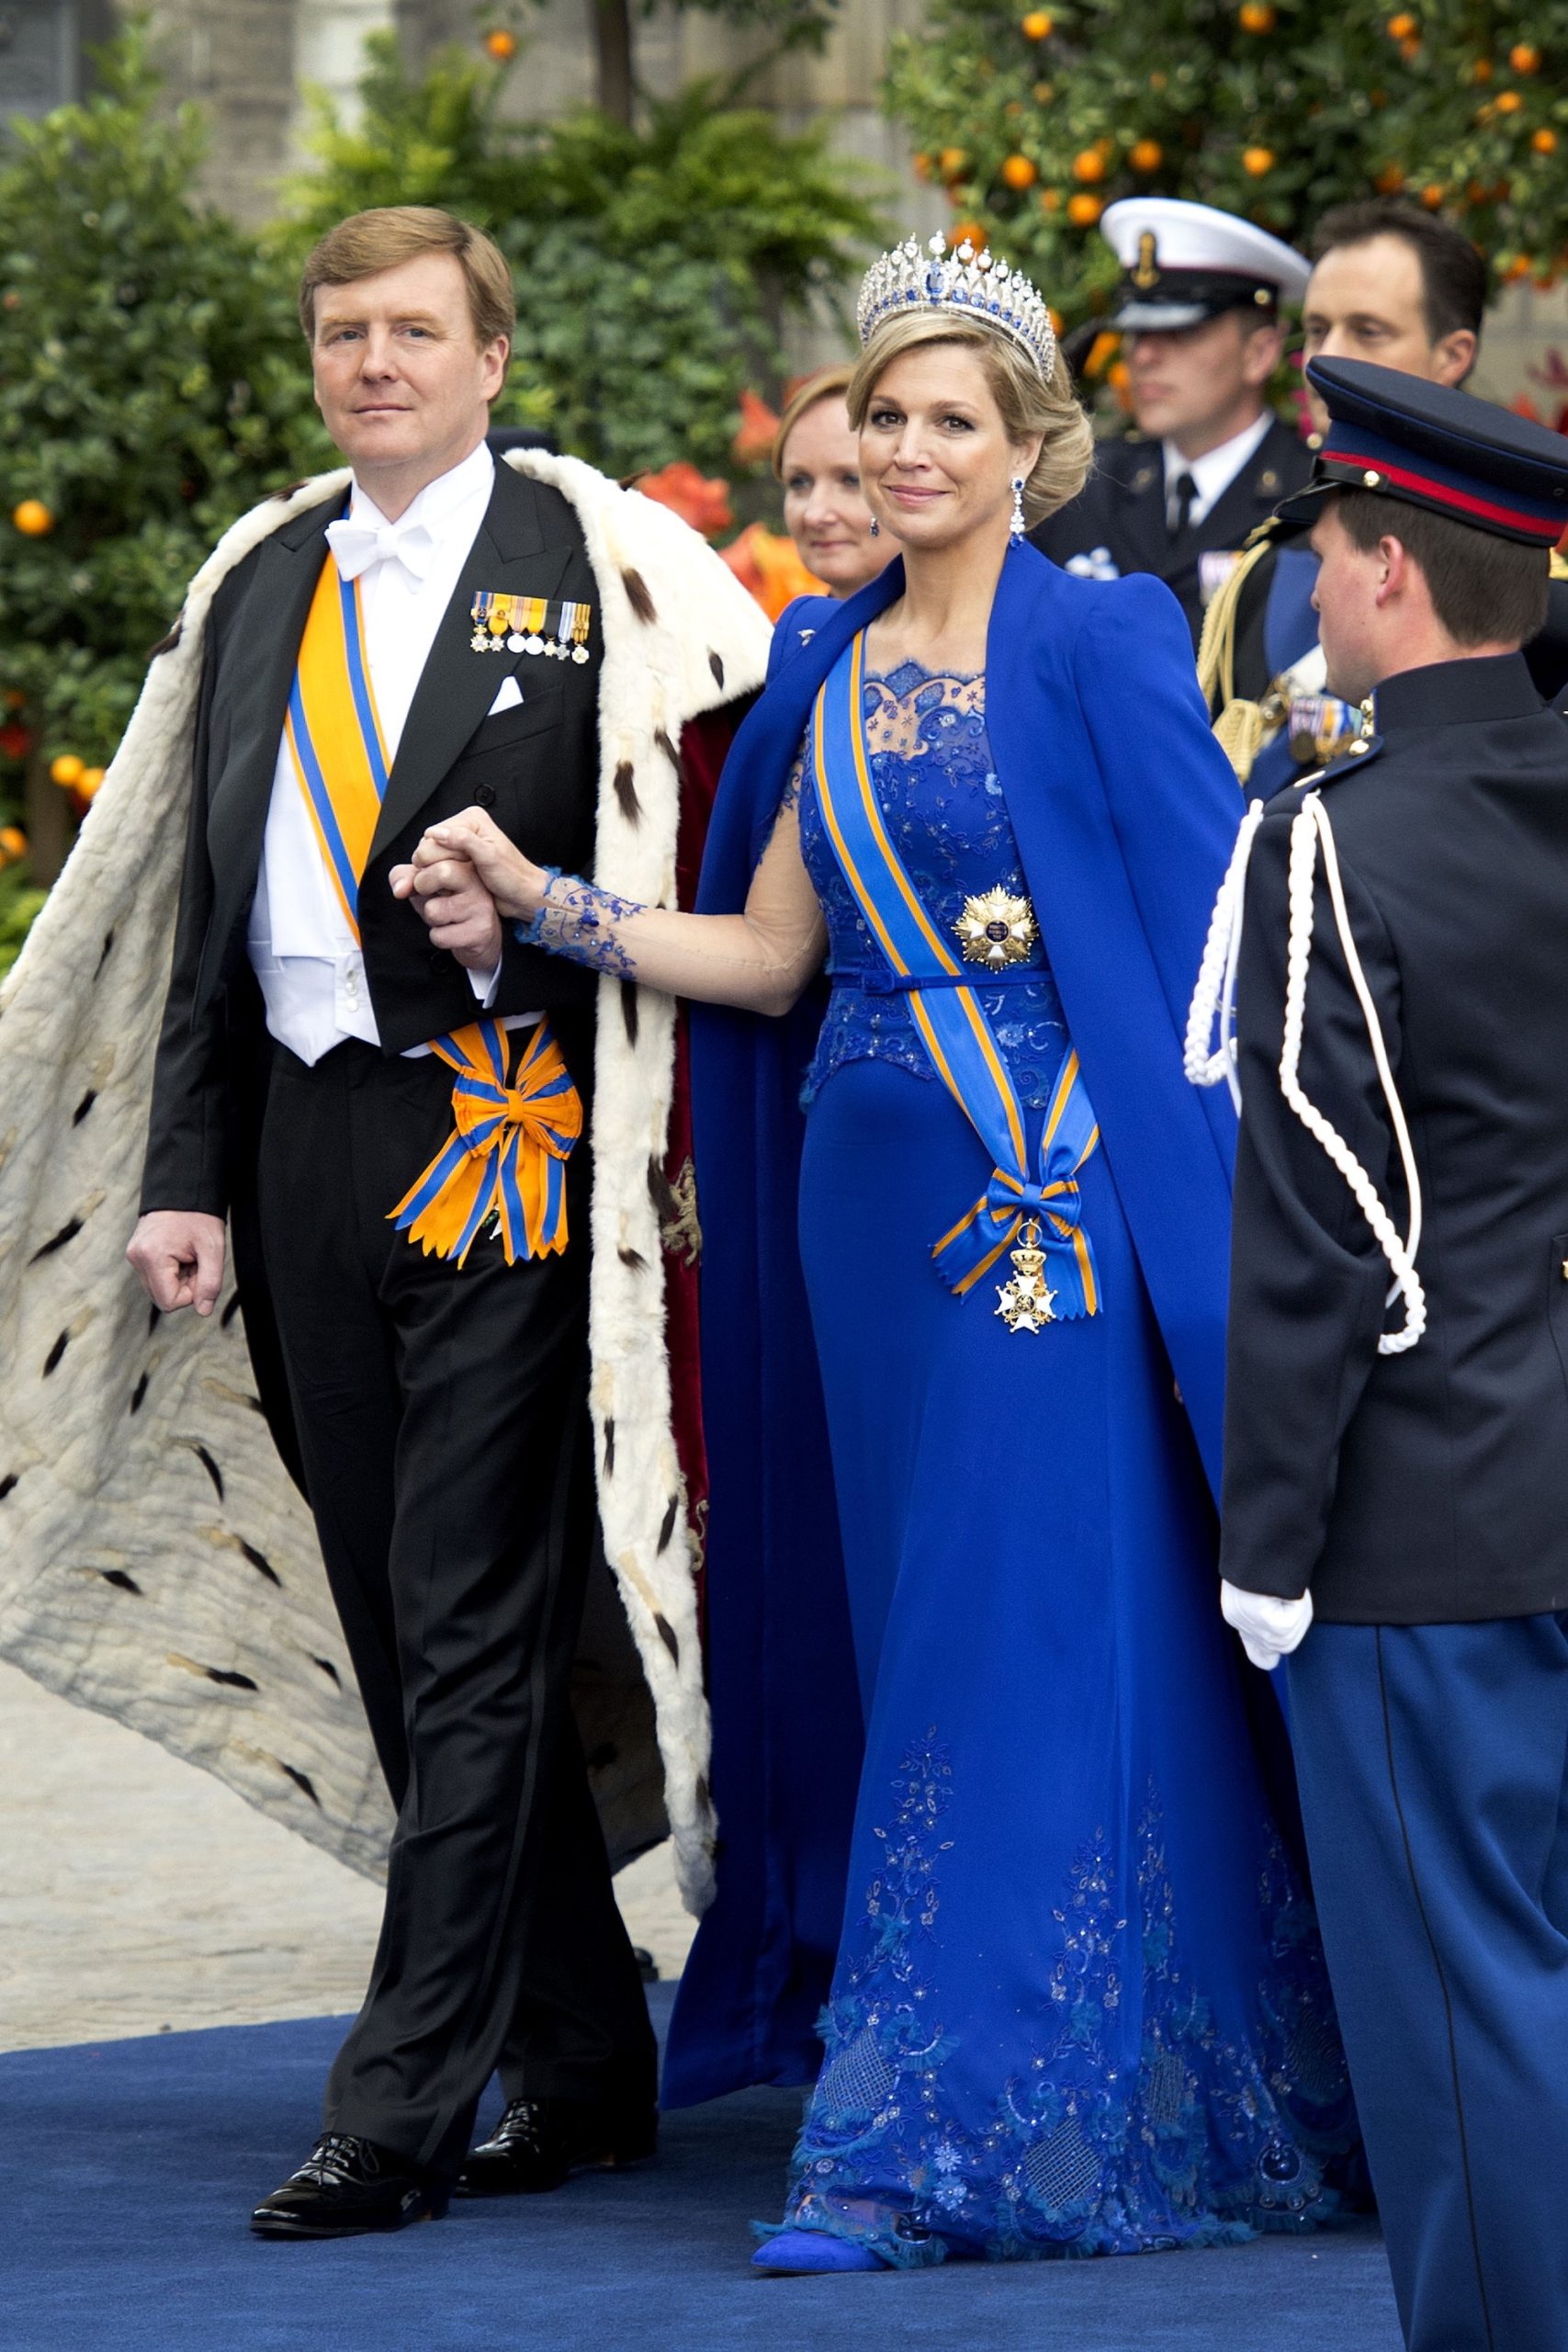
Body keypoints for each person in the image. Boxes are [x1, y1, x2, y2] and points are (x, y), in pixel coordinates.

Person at [405, 232, 1360, 2273]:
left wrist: (1083, 1160)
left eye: (952, 421)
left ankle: (931, 2127)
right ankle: (985, 2075)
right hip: (859, 1224)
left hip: (1042, 1219)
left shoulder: (1100, 641)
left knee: (1011, 1640)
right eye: (888, 416)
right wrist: (540, 898)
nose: (910, 450)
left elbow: (1212, 947)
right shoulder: (824, 668)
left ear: (1030, 447)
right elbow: (760, 953)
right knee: (910, 1619)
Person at [120, 204, 770, 2237]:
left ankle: (395, 2097)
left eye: (412, 331)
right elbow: (194, 910)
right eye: (341, 333)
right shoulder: (261, 585)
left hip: (505, 1128)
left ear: (493, 358)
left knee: (477, 1610)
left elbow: (707, 852)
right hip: (304, 1147)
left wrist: (543, 915)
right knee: (406, 1625)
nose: (371, 362)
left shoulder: (598, 575)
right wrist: (177, 1166)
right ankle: (581, 2058)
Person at [1193, 356, 1568, 2351]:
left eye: (1329, 554)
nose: (1314, 594)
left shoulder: (1336, 839)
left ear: (1387, 579)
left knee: (1458, 2012)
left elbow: (1318, 1226)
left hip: (1422, 1516)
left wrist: (1265, 1534)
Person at [1201, 199, 1491, 789]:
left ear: (1452, 357)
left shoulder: (1524, 583)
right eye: (1316, 329)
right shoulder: (1265, 571)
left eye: (1368, 330)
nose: (1325, 357)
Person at [1031, 198, 1312, 642]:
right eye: (1137, 332)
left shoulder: (1310, 501)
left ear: (1260, 353)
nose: (1142, 355)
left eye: (1181, 331)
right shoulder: (1080, 486)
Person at [773, 366, 892, 599]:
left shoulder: (978, 633)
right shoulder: (791, 634)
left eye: (851, 480)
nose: (814, 515)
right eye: (799, 483)